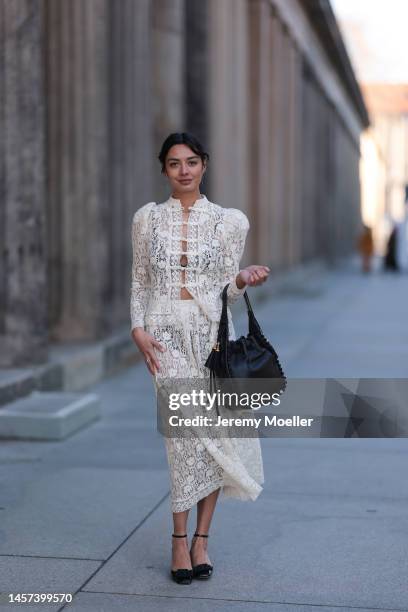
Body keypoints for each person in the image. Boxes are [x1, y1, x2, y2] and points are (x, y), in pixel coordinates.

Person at [130, 132, 269, 584]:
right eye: (174, 163)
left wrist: (242, 280)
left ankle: (201, 540)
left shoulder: (229, 222)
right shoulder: (147, 219)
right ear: (164, 170)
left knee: (214, 437)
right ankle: (177, 540)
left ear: (204, 165)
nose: (184, 170)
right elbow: (140, 281)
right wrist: (137, 330)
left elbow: (224, 287)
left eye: (191, 162)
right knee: (182, 436)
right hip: (164, 336)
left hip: (210, 337)